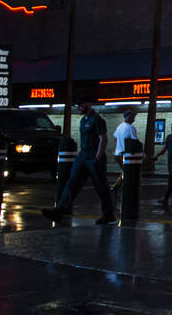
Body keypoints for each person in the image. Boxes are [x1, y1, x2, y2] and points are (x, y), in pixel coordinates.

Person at [41, 96, 116, 224]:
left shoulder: (97, 120)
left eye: (81, 105)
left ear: (88, 104)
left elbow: (103, 139)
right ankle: (59, 211)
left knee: (101, 187)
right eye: (78, 106)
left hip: (94, 157)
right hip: (82, 157)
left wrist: (98, 157)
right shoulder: (83, 121)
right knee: (72, 183)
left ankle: (109, 215)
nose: (79, 107)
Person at [111, 111, 139, 194]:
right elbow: (135, 141)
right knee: (129, 172)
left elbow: (115, 138)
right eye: (133, 117)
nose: (134, 119)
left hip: (117, 154)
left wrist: (119, 146)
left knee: (126, 171)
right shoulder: (131, 127)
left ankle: (117, 187)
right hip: (125, 155)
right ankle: (121, 188)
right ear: (129, 117)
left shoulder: (119, 126)